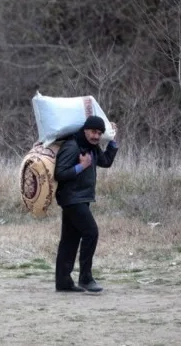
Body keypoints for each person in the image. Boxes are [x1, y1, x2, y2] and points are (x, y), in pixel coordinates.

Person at [54, 115, 118, 293]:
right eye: (93, 132)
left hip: (81, 198)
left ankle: (63, 282)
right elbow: (59, 173)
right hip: (71, 198)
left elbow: (105, 162)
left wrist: (113, 142)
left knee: (69, 240)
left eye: (99, 133)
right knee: (91, 232)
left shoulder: (92, 147)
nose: (96, 136)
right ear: (85, 130)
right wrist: (81, 167)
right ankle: (85, 278)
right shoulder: (72, 146)